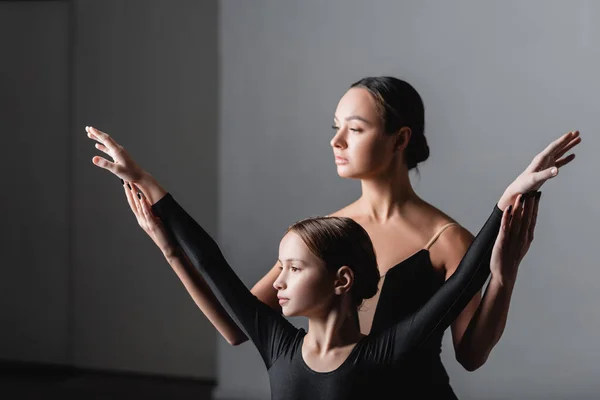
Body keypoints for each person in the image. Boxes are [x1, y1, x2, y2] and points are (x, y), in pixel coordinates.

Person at [87, 76, 580, 397]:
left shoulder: (445, 238)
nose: (336, 141)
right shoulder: (328, 238)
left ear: (400, 138)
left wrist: (503, 274)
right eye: (335, 127)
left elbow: (471, 356)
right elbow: (238, 322)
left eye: (355, 128)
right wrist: (165, 239)